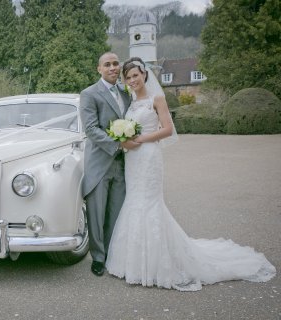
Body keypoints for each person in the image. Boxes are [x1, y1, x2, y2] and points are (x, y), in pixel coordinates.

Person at [105, 57, 276, 291]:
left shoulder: (158, 98)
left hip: (149, 157)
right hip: (133, 160)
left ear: (145, 74)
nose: (133, 80)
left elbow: (167, 129)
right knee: (134, 201)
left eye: (136, 75)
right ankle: (133, 263)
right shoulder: (132, 103)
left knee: (150, 204)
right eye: (129, 77)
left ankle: (157, 265)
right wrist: (124, 140)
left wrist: (141, 138)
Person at [80, 52, 134, 276]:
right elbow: (91, 129)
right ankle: (98, 259)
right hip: (100, 162)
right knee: (97, 213)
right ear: (99, 69)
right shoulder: (90, 94)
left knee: (116, 213)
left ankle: (113, 255)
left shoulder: (126, 92)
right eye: (107, 64)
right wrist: (118, 145)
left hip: (123, 165)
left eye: (115, 64)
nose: (112, 67)